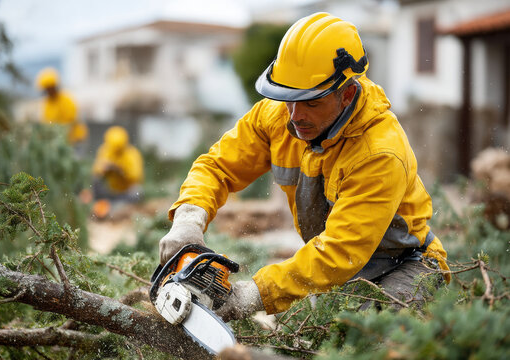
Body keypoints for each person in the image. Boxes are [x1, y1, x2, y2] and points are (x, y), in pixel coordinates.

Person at [159, 12, 451, 321]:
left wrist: (252, 295)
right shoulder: (276, 116)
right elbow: (217, 166)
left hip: (405, 263)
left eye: (311, 102)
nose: (295, 116)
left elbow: (339, 253)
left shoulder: (378, 153)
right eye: (289, 98)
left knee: (374, 338)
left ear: (347, 93)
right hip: (337, 267)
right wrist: (189, 218)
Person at [91, 126, 144, 208]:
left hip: (126, 191)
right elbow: (96, 171)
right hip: (110, 190)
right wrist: (105, 170)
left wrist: (121, 170)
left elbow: (136, 176)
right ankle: (101, 202)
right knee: (95, 181)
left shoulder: (132, 154)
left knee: (137, 191)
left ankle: (127, 206)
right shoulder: (104, 150)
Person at [35, 67, 88, 144]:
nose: (49, 91)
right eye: (47, 89)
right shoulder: (47, 103)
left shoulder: (66, 100)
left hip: (76, 139)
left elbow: (71, 121)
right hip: (59, 141)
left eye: (50, 88)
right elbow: (46, 122)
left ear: (55, 86)